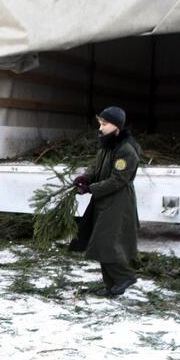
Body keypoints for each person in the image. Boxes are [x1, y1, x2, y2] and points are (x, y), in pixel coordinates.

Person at [71, 106, 140, 296]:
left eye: (104, 124)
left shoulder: (126, 150)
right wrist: (85, 178)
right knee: (99, 241)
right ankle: (111, 286)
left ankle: (125, 276)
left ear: (116, 126)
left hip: (118, 202)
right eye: (100, 123)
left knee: (105, 243)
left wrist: (90, 189)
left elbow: (118, 180)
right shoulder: (108, 144)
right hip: (103, 200)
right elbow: (97, 167)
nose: (100, 128)